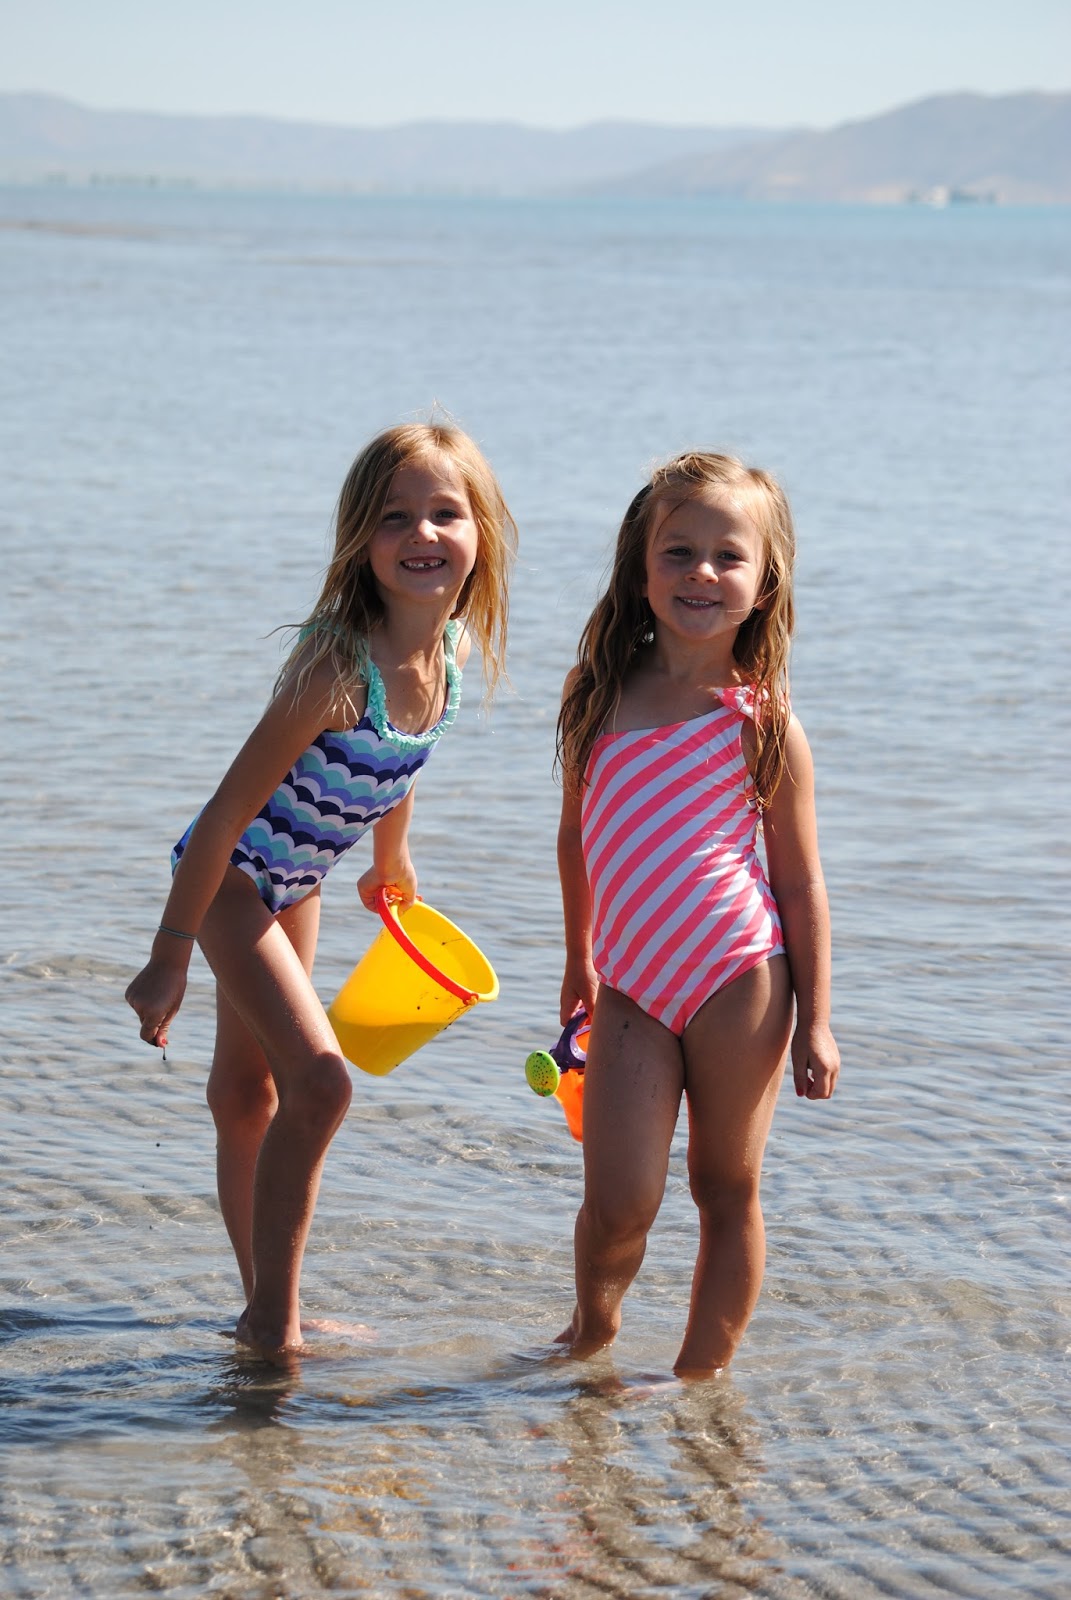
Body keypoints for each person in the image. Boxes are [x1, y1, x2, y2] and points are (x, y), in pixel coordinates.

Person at [125, 422, 516, 1357]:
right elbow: (222, 819)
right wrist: (168, 958)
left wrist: (390, 860)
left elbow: (401, 760)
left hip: (295, 882)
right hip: (229, 884)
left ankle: (266, 1305)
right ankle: (273, 1322)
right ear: (359, 539)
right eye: (394, 517)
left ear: (481, 533)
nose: (421, 533)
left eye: (445, 513)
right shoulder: (336, 669)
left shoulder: (449, 652)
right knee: (322, 1083)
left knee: (247, 1093)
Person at [553, 450, 839, 1379]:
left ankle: (697, 1383)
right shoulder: (596, 694)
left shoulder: (762, 721)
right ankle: (590, 1342)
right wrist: (577, 958)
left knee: (724, 1187)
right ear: (640, 569)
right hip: (630, 984)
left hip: (739, 976)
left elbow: (800, 883)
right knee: (619, 1203)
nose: (701, 574)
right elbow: (577, 838)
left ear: (764, 582)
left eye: (727, 557)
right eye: (677, 552)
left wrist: (817, 1022)